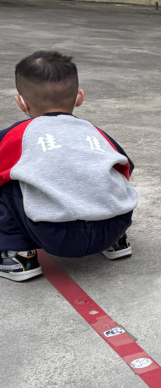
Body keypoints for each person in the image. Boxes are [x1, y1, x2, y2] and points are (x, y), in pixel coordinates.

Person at [0, 51, 138, 281]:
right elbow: (126, 168)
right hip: (113, 226)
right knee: (110, 175)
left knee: (9, 181)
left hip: (54, 235)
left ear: (21, 102)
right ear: (79, 97)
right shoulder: (96, 133)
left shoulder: (18, 135)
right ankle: (117, 242)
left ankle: (17, 256)